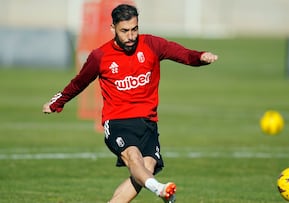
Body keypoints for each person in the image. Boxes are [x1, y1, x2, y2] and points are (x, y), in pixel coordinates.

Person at [42, 4, 218, 203]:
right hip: (118, 122)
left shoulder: (151, 44)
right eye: (124, 31)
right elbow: (79, 82)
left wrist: (200, 57)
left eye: (134, 29)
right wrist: (57, 102)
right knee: (134, 158)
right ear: (113, 29)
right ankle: (160, 190)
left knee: (145, 170)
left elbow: (180, 53)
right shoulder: (100, 56)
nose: (131, 36)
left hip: (148, 123)